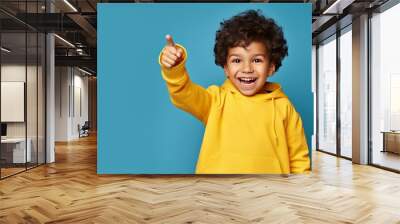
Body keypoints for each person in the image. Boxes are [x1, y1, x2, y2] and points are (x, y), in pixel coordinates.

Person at [159, 9, 310, 174]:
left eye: (257, 60)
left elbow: (298, 159)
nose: (247, 68)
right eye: (237, 60)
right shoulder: (215, 100)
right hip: (219, 195)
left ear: (271, 67)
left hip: (269, 194)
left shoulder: (285, 108)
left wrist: (300, 189)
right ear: (226, 68)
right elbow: (184, 94)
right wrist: (175, 69)